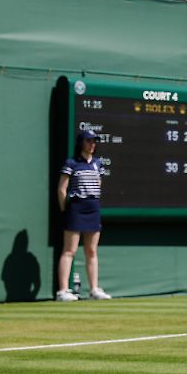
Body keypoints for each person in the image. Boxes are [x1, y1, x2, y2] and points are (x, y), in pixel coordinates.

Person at [56, 129, 112, 301]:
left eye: (94, 141)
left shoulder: (98, 164)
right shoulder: (71, 163)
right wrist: (65, 210)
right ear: (81, 143)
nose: (92, 144)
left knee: (91, 251)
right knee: (69, 250)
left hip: (93, 208)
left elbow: (98, 184)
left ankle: (94, 289)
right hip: (76, 208)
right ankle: (63, 291)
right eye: (89, 141)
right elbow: (62, 190)